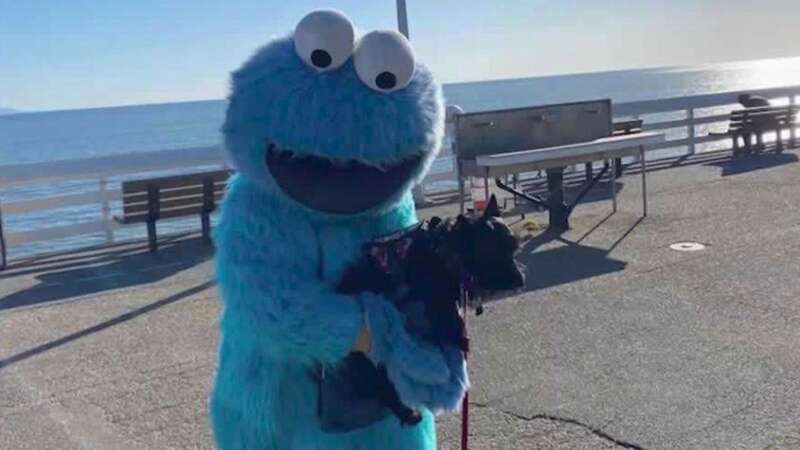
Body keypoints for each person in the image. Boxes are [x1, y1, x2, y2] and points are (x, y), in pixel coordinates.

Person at [209, 10, 466, 450]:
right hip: (283, 411)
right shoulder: (257, 206)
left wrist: (437, 327)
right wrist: (380, 332)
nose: (344, 175)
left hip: (379, 411)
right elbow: (270, 308)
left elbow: (404, 273)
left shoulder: (392, 200)